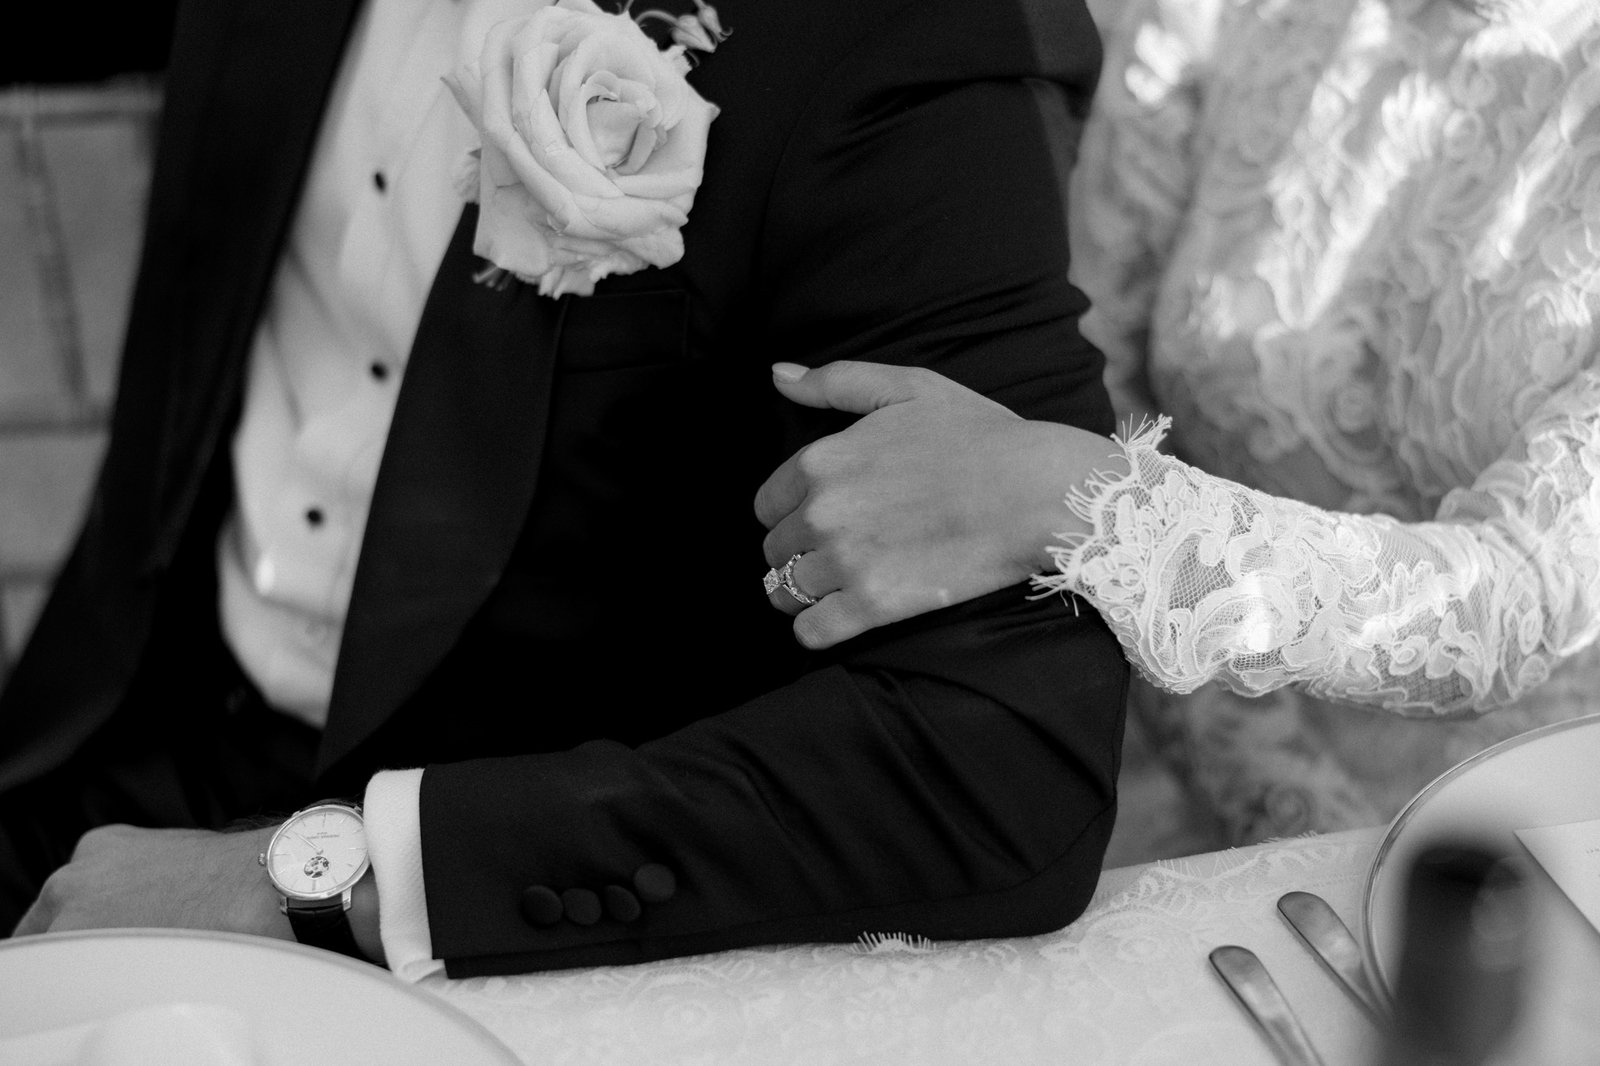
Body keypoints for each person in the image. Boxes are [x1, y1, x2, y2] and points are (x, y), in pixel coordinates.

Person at [0, 0, 1128, 977]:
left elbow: (1003, 756)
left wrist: (328, 878)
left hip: (507, 880)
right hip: (114, 729)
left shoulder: (907, 38)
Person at [755, 0, 1600, 847]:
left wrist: (1079, 508)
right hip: (1171, 745)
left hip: (1525, 850)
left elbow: (1520, 599)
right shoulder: (1217, 13)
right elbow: (1092, 364)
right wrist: (1273, 796)